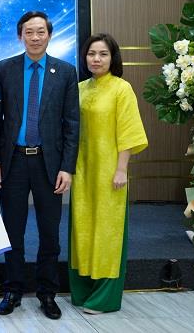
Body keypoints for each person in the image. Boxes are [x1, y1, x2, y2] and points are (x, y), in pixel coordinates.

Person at [0, 11, 79, 320]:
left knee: (49, 231)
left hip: (48, 163)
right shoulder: (4, 69)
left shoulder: (65, 72)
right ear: (20, 36)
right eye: (29, 32)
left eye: (41, 31)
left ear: (49, 35)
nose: (35, 37)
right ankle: (12, 289)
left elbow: (72, 123)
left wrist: (67, 167)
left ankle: (47, 292)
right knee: (12, 230)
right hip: (12, 162)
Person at [69, 33, 147, 314]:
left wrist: (122, 169)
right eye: (91, 54)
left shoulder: (121, 89)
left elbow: (129, 131)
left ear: (113, 58)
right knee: (82, 229)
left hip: (110, 171)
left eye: (103, 54)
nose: (96, 59)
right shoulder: (80, 88)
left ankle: (105, 298)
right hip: (82, 171)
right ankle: (83, 290)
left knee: (107, 232)